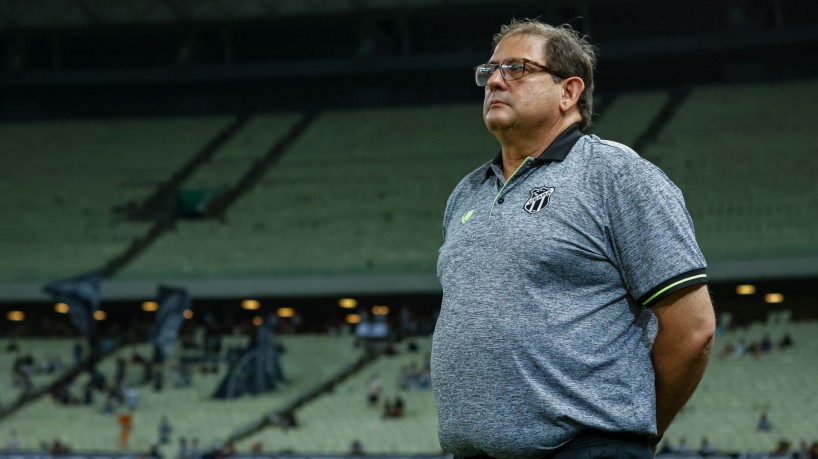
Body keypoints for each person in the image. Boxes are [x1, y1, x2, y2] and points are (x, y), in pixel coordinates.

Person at [431, 18, 716, 459]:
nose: (495, 82)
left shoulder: (615, 175)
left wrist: (634, 430)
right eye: (489, 71)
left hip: (587, 449)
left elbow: (692, 328)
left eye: (517, 69)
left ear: (569, 92)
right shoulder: (467, 193)